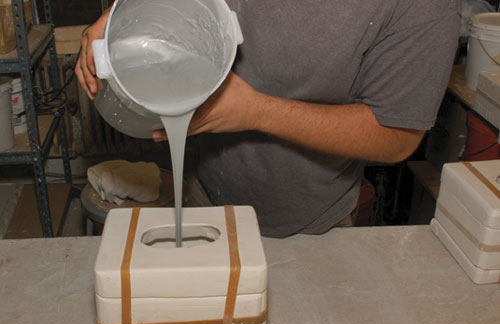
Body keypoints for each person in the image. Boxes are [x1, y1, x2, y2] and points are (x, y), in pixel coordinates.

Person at [76, 0, 461, 238]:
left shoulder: (423, 7)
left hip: (308, 223)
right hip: (206, 189)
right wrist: (126, 11)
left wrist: (256, 111)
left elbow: (396, 136)